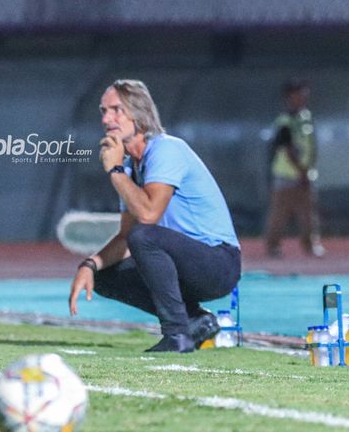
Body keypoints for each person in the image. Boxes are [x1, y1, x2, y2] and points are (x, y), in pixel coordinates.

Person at [68, 79, 242, 353]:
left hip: (218, 263)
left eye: (116, 110)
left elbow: (148, 215)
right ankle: (195, 321)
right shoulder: (129, 166)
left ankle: (177, 336)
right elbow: (126, 236)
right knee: (104, 274)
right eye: (103, 111)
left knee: (144, 235)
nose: (106, 119)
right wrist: (89, 265)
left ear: (139, 113)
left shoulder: (166, 150)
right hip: (183, 262)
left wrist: (115, 173)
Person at [263, 79, 325, 258]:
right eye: (297, 95)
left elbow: (311, 145)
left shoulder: (306, 117)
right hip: (286, 175)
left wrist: (309, 167)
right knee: (279, 214)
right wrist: (301, 170)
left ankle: (310, 244)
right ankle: (273, 246)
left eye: (304, 94)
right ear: (289, 97)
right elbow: (287, 148)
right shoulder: (285, 120)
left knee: (309, 214)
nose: (302, 98)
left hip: (306, 174)